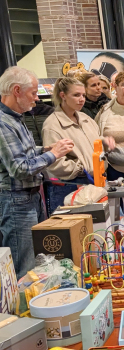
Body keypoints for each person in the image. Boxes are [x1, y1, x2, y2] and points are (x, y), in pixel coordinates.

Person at [0, 67, 74, 276]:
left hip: (30, 198)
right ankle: (22, 308)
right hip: (17, 202)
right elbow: (19, 168)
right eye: (33, 93)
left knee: (38, 262)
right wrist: (54, 154)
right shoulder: (3, 123)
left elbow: (24, 154)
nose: (36, 98)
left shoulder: (16, 118)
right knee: (25, 267)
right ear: (16, 90)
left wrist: (45, 150)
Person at [43, 77, 115, 212]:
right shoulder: (52, 125)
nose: (81, 99)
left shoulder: (86, 119)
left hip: (97, 182)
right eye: (76, 95)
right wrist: (81, 169)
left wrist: (104, 142)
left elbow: (93, 141)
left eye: (83, 95)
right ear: (63, 95)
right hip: (72, 185)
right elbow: (54, 161)